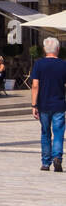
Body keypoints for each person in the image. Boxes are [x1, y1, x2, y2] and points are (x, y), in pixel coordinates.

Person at [31, 36, 66, 171]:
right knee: (58, 133)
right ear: (58, 49)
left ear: (45, 49)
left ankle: (46, 163)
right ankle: (57, 157)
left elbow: (35, 85)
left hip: (43, 104)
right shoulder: (63, 64)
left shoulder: (39, 64)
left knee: (45, 133)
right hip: (59, 104)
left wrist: (34, 105)